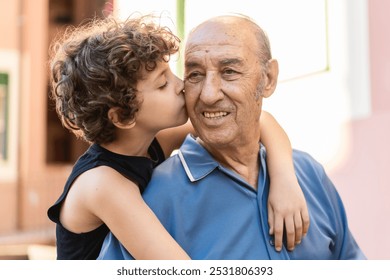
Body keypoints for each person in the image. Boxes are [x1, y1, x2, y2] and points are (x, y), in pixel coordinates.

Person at [98, 15, 366, 260]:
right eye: (194, 75)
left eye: (229, 72)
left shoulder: (308, 173)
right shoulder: (153, 197)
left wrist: (285, 173)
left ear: (269, 78)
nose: (209, 94)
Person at [47, 15, 309, 260]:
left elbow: (259, 121)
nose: (181, 85)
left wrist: (284, 180)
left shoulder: (150, 142)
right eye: (162, 84)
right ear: (123, 117)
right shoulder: (103, 184)